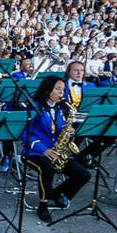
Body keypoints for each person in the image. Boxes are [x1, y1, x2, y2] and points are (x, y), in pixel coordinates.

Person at [23, 77, 91, 223]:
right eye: (58, 89)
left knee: (84, 174)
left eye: (63, 89)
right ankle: (43, 205)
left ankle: (56, 193)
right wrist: (43, 150)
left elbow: (60, 128)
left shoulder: (61, 108)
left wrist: (69, 130)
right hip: (35, 152)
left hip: (57, 151)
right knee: (47, 169)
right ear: (47, 90)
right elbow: (24, 133)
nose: (62, 92)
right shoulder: (34, 107)